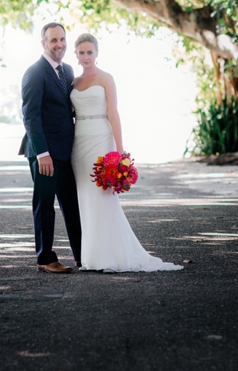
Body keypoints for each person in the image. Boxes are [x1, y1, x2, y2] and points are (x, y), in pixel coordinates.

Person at [70, 33, 182, 272]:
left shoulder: (106, 78)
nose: (86, 56)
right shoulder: (73, 82)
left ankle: (110, 256)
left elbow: (114, 113)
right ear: (76, 55)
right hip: (78, 141)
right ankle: (91, 256)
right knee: (85, 197)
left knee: (103, 196)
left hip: (101, 138)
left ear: (97, 53)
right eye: (82, 52)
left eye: (90, 52)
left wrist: (120, 153)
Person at [19, 23, 82, 273]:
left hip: (66, 151)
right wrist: (43, 153)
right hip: (43, 153)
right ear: (44, 44)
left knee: (72, 204)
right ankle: (45, 258)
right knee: (45, 205)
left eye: (63, 39)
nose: (60, 44)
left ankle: (82, 254)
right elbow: (30, 116)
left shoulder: (67, 70)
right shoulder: (34, 72)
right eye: (54, 40)